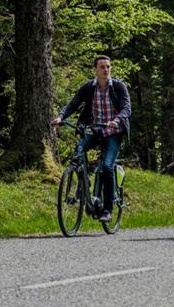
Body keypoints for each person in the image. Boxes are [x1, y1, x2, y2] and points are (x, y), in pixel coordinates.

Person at [51, 55, 132, 222]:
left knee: (107, 167)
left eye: (108, 66)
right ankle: (83, 188)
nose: (106, 70)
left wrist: (116, 121)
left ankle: (107, 210)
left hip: (113, 133)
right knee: (77, 155)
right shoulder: (89, 87)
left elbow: (126, 108)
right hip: (93, 130)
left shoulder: (118, 87)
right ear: (95, 70)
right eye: (102, 67)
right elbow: (73, 104)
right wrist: (60, 117)